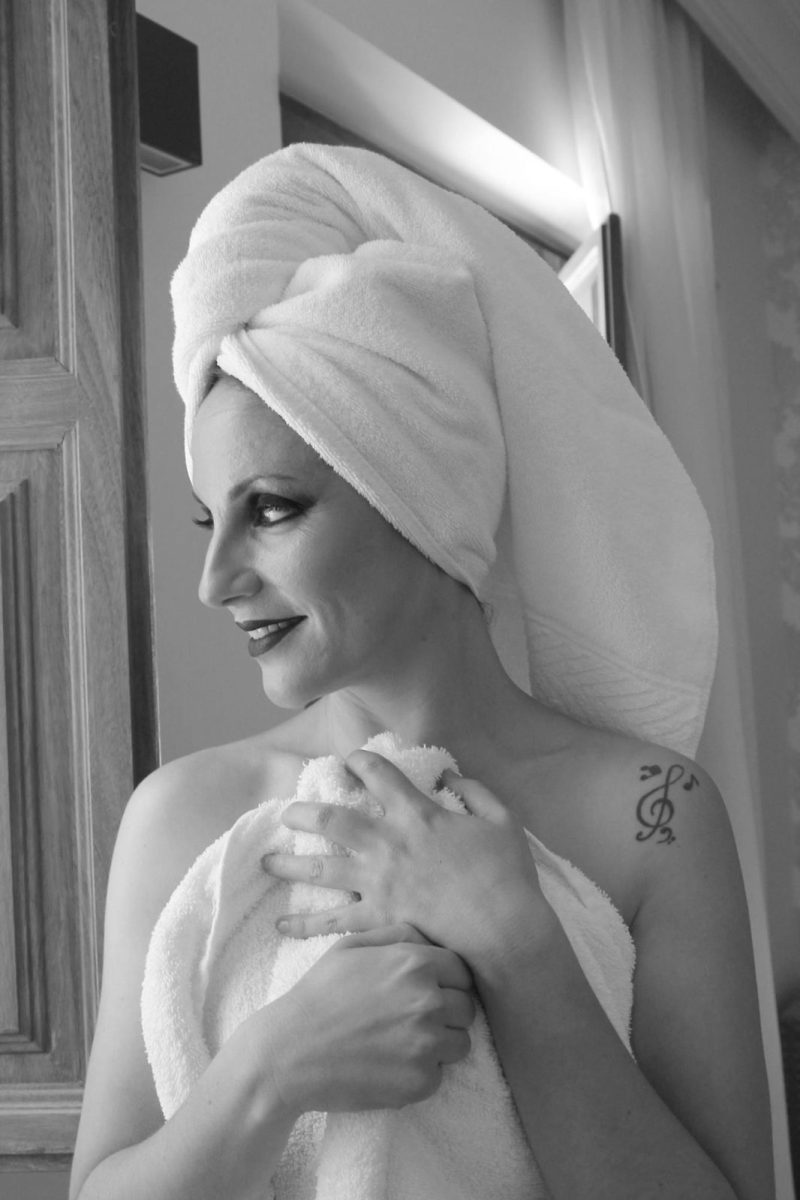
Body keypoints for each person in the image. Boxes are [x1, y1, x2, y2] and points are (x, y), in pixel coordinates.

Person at [69, 144, 774, 1200]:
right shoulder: (178, 819)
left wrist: (519, 949)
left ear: (421, 499)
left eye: (271, 510)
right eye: (211, 521)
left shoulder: (650, 818)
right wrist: (271, 1069)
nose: (217, 581)